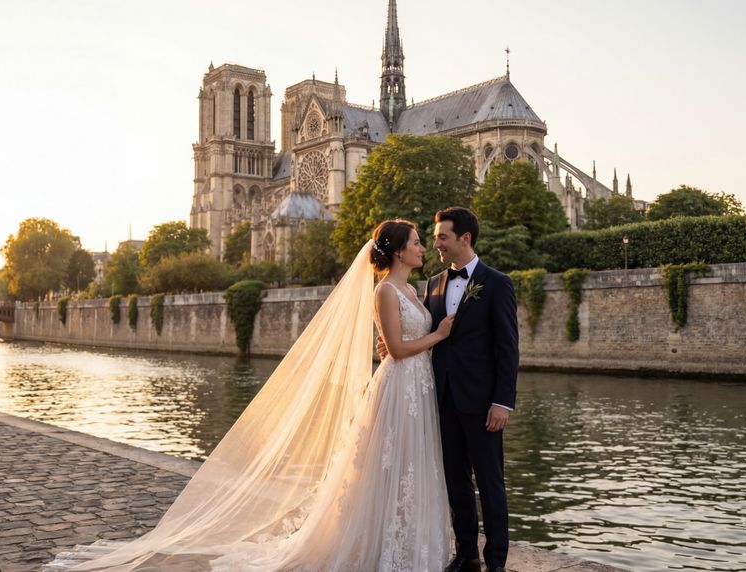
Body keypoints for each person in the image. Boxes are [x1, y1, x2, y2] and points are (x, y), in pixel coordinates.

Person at [45, 219, 455, 571]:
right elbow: (397, 349)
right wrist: (436, 335)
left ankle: (402, 541)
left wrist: (416, 340)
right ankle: (380, 547)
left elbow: (393, 344)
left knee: (407, 467)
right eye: (417, 242)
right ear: (399, 252)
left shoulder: (414, 292)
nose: (422, 247)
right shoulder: (384, 291)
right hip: (398, 387)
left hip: (415, 386)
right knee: (386, 468)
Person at [379, 207, 519, 572]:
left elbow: (508, 349)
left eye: (441, 236)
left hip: (483, 403)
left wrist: (502, 403)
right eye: (432, 238)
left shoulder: (497, 283)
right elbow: (426, 335)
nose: (435, 243)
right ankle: (467, 553)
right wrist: (390, 347)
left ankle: (497, 562)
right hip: (440, 400)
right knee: (455, 482)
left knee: (490, 484)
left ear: (464, 239)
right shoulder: (434, 284)